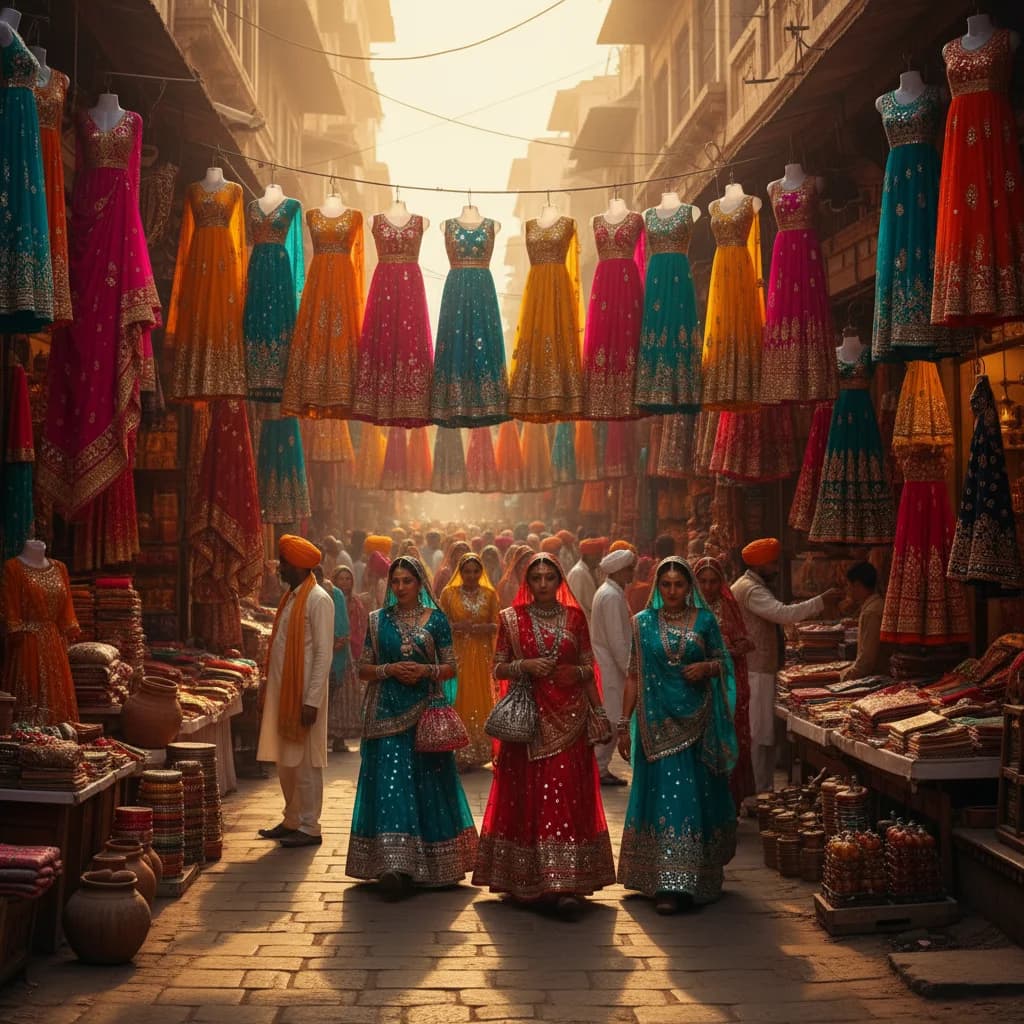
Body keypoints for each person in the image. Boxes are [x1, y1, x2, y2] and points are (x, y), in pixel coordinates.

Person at [473, 553, 616, 921]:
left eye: (548, 577)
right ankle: (526, 879)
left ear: (559, 580)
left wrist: (598, 710)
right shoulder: (512, 618)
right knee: (530, 796)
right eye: (535, 577)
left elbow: (588, 666)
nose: (542, 584)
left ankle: (567, 882)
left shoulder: (575, 617)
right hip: (528, 723)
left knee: (566, 795)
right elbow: (498, 666)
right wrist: (526, 666)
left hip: (571, 721)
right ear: (527, 581)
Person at [347, 556, 479, 899]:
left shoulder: (436, 621)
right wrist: (388, 669)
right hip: (385, 714)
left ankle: (436, 864)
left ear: (420, 584)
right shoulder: (378, 621)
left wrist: (425, 672)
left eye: (407, 581)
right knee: (392, 787)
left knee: (427, 784)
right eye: (396, 582)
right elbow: (363, 668)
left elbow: (450, 666)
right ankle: (394, 866)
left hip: (425, 714)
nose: (401, 587)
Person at [617, 557, 738, 913]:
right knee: (664, 798)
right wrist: (623, 724)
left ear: (690, 588)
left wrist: (707, 667)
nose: (672, 591)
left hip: (697, 723)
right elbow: (632, 676)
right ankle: (666, 881)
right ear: (657, 586)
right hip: (655, 727)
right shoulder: (641, 623)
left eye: (679, 585)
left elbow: (725, 662)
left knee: (690, 797)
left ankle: (687, 878)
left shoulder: (705, 620)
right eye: (666, 585)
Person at [731, 538, 839, 793]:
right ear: (761, 564)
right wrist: (821, 601)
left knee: (762, 733)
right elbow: (783, 614)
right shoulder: (752, 590)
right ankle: (756, 792)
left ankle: (760, 789)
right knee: (758, 735)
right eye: (774, 563)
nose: (778, 567)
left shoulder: (752, 586)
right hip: (755, 670)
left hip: (759, 669)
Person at [257, 535, 335, 847]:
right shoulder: (291, 597)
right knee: (285, 760)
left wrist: (312, 700)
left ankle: (309, 826)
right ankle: (292, 818)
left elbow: (322, 655)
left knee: (305, 762)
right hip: (283, 693)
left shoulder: (318, 599)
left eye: (285, 563)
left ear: (300, 566)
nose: (280, 568)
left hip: (303, 696)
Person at [694, 555, 757, 811]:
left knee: (728, 744)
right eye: (703, 581)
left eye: (713, 581)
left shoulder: (728, 607)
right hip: (698, 688)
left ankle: (729, 805)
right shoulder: (689, 609)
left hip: (726, 687)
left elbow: (745, 642)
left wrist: (730, 649)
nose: (708, 587)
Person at [439, 552, 501, 770]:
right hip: (458, 655)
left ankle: (479, 752)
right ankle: (458, 751)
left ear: (481, 572)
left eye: (476, 571)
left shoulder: (490, 594)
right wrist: (456, 627)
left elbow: (498, 625)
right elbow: (439, 624)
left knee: (481, 698)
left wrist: (483, 628)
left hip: (482, 656)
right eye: (467, 571)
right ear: (460, 572)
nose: (472, 576)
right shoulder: (449, 594)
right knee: (458, 696)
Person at [590, 547, 636, 786]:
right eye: (629, 568)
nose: (633, 572)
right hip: (612, 667)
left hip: (610, 666)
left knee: (613, 717)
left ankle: (600, 767)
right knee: (612, 718)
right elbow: (618, 640)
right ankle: (598, 768)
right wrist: (630, 669)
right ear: (619, 571)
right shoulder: (610, 596)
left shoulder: (611, 592)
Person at [329, 565, 368, 750]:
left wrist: (352, 645)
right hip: (330, 651)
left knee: (346, 695)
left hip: (350, 653)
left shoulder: (356, 602)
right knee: (332, 693)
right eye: (341, 579)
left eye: (348, 579)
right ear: (334, 580)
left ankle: (339, 738)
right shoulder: (329, 599)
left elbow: (360, 628)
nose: (345, 582)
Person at [840, 562, 887, 682]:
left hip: (874, 680)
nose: (847, 590)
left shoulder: (871, 612)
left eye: (848, 585)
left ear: (857, 585)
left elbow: (866, 661)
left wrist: (844, 677)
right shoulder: (875, 606)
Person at [567, 537, 608, 618]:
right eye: (598, 555)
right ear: (589, 556)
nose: (600, 559)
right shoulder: (578, 573)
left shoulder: (593, 571)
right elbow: (575, 605)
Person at [497, 544, 533, 609]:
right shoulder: (507, 585)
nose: (525, 566)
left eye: (529, 562)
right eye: (522, 563)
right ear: (516, 564)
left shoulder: (539, 582)